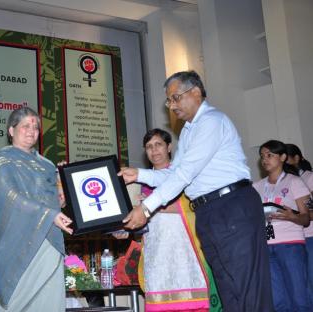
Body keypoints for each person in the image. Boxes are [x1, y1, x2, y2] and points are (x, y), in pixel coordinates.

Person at [119, 71, 273, 311]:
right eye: (169, 101)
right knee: (228, 290)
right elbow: (174, 172)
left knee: (247, 289)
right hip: (208, 211)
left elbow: (184, 174)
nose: (172, 106)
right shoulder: (189, 131)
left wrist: (147, 208)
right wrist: (139, 174)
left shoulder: (212, 121)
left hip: (232, 206)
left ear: (196, 92)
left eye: (176, 98)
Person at [114, 128, 220, 311]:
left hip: (186, 251)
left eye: (158, 145)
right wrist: (125, 228)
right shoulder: (140, 183)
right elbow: (139, 220)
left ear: (169, 147)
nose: (154, 151)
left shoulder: (185, 175)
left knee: (192, 303)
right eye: (149, 147)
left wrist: (150, 206)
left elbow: (194, 206)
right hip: (156, 254)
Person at [0, 107, 73, 311]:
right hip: (20, 239)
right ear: (11, 130)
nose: (31, 131)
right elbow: (10, 196)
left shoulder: (47, 164)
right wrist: (49, 214)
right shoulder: (4, 159)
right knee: (17, 298)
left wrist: (63, 193)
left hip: (50, 238)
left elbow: (55, 202)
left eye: (36, 127)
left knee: (49, 297)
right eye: (25, 126)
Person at [253, 140, 311, 311]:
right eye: (262, 156)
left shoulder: (294, 182)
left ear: (283, 157)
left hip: (290, 244)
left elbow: (306, 218)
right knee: (278, 299)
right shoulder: (256, 186)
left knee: (299, 296)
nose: (265, 159)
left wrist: (292, 217)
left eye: (270, 155)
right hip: (266, 245)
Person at [285, 143, 313, 304]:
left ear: (297, 158)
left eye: (286, 158)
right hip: (293, 238)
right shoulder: (285, 181)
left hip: (310, 236)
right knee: (299, 282)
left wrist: (297, 215)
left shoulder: (309, 178)